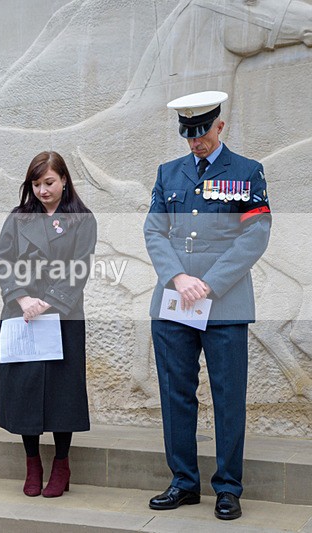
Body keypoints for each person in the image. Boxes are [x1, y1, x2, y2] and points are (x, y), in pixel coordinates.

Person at [143, 91, 271, 520]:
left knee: (227, 396)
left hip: (226, 304)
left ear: (220, 126)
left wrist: (209, 284)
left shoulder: (247, 173)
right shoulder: (168, 173)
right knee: (176, 394)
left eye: (201, 134)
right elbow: (154, 232)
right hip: (175, 302)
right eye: (188, 135)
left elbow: (254, 235)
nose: (194, 143)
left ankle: (228, 487)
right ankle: (183, 481)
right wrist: (178, 278)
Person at [0, 151, 97, 498]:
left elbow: (79, 267)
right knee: (24, 390)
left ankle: (62, 464)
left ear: (64, 180)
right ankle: (32, 462)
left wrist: (48, 301)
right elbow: (4, 260)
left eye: (49, 182)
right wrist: (23, 298)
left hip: (61, 315)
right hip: (22, 312)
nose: (42, 190)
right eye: (36, 184)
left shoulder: (82, 219)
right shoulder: (19, 217)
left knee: (61, 392)